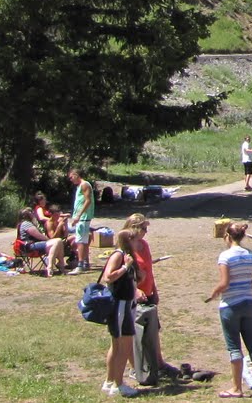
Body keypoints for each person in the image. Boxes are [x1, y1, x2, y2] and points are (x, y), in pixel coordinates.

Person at [204, 221, 252, 399]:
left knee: (234, 348)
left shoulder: (225, 256)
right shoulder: (250, 254)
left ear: (227, 236)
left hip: (230, 305)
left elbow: (224, 283)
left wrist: (215, 292)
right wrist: (248, 285)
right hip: (248, 303)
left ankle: (236, 387)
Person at [124, 214, 174, 387]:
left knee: (154, 330)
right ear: (135, 228)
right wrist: (136, 290)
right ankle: (134, 367)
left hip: (149, 292)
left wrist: (155, 289)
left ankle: (159, 363)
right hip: (134, 296)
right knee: (134, 334)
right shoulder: (127, 248)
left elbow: (150, 270)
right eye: (144, 228)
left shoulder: (144, 245)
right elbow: (126, 275)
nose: (146, 232)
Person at [99, 229, 142, 397]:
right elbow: (108, 277)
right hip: (120, 305)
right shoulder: (119, 255)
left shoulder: (128, 256)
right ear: (128, 240)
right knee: (123, 346)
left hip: (126, 304)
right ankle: (118, 384)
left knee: (117, 345)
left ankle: (109, 381)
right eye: (136, 240)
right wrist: (125, 267)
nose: (138, 243)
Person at [16, 207, 65, 275]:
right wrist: (49, 240)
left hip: (33, 245)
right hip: (30, 246)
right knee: (56, 241)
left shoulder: (25, 223)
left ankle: (60, 265)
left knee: (59, 241)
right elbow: (38, 236)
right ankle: (51, 266)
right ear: (26, 215)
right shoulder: (26, 224)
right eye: (31, 212)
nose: (33, 213)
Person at [68, 167, 96, 275]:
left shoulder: (85, 185)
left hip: (83, 217)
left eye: (71, 177)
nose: (71, 180)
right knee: (83, 240)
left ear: (76, 175)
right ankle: (84, 263)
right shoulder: (80, 186)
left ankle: (80, 264)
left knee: (80, 240)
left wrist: (78, 216)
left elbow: (88, 200)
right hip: (81, 217)